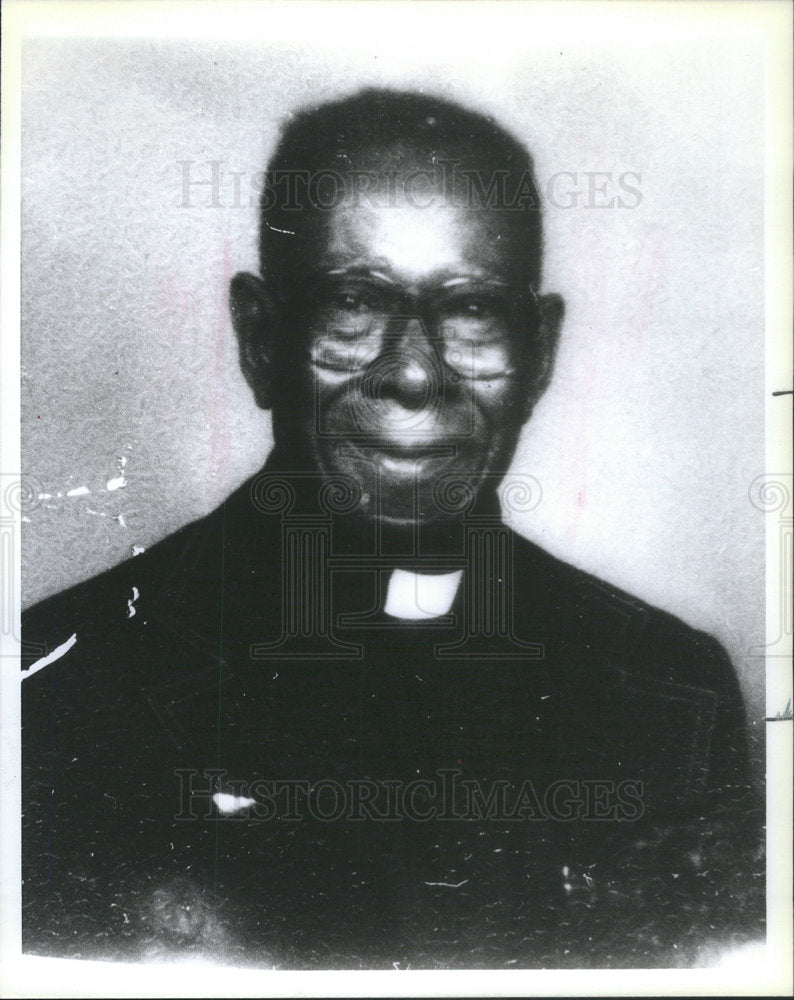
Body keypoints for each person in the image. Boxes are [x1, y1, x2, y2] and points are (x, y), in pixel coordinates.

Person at [21, 88, 762, 968]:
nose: (414, 375)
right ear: (260, 339)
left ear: (540, 355)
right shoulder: (62, 689)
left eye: (474, 311)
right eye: (353, 302)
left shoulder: (669, 692)